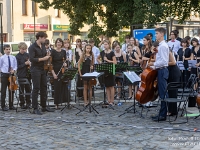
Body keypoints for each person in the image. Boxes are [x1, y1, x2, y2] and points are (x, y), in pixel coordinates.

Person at [28, 31, 54, 115]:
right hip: (35, 69)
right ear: (39, 37)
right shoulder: (32, 47)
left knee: (44, 87)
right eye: (44, 38)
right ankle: (34, 107)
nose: (45, 39)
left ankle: (44, 106)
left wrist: (47, 54)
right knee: (36, 88)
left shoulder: (43, 46)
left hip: (42, 69)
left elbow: (44, 55)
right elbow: (32, 59)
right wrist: (44, 58)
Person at [148, 27, 169, 121]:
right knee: (161, 93)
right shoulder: (160, 46)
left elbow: (164, 62)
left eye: (156, 34)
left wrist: (153, 64)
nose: (155, 35)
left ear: (161, 34)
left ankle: (163, 115)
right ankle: (161, 113)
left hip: (162, 70)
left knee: (163, 93)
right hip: (160, 70)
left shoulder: (163, 46)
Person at [97, 40, 117, 106]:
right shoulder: (102, 52)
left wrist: (108, 60)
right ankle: (108, 100)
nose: (105, 46)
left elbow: (115, 62)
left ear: (109, 45)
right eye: (104, 44)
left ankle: (112, 101)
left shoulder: (112, 53)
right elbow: (97, 58)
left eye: (106, 44)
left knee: (111, 86)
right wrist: (101, 63)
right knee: (107, 86)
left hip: (111, 70)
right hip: (105, 70)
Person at [51, 38, 68, 109]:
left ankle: (64, 101)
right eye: (58, 42)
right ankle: (56, 103)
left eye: (60, 42)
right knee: (57, 88)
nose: (59, 44)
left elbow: (65, 60)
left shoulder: (64, 51)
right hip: (55, 71)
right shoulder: (53, 51)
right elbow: (50, 64)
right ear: (56, 43)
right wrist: (53, 74)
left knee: (64, 87)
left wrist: (66, 64)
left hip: (62, 70)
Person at [0, 45, 17, 111]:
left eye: (9, 49)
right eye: (6, 49)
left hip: (11, 75)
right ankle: (3, 106)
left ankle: (11, 105)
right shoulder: (2, 58)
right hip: (5, 74)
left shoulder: (13, 57)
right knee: (3, 91)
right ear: (4, 50)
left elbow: (15, 65)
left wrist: (14, 70)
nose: (8, 51)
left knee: (11, 90)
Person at [15, 42, 31, 109]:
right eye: (22, 49)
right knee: (21, 90)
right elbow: (17, 67)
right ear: (19, 48)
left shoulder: (27, 55)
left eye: (25, 49)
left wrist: (30, 64)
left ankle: (28, 103)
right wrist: (25, 63)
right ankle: (22, 103)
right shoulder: (17, 56)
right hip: (21, 74)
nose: (24, 50)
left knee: (28, 89)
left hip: (28, 74)